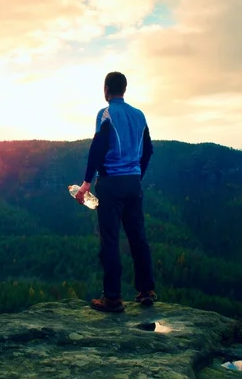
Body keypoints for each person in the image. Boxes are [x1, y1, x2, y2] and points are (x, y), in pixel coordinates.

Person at [75, 71, 157, 313]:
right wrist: (136, 175)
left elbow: (98, 147)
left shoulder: (106, 113)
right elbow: (149, 150)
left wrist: (86, 183)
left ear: (106, 89)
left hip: (110, 183)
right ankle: (146, 290)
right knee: (137, 237)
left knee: (110, 240)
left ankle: (112, 298)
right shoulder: (139, 115)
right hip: (133, 183)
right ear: (124, 89)